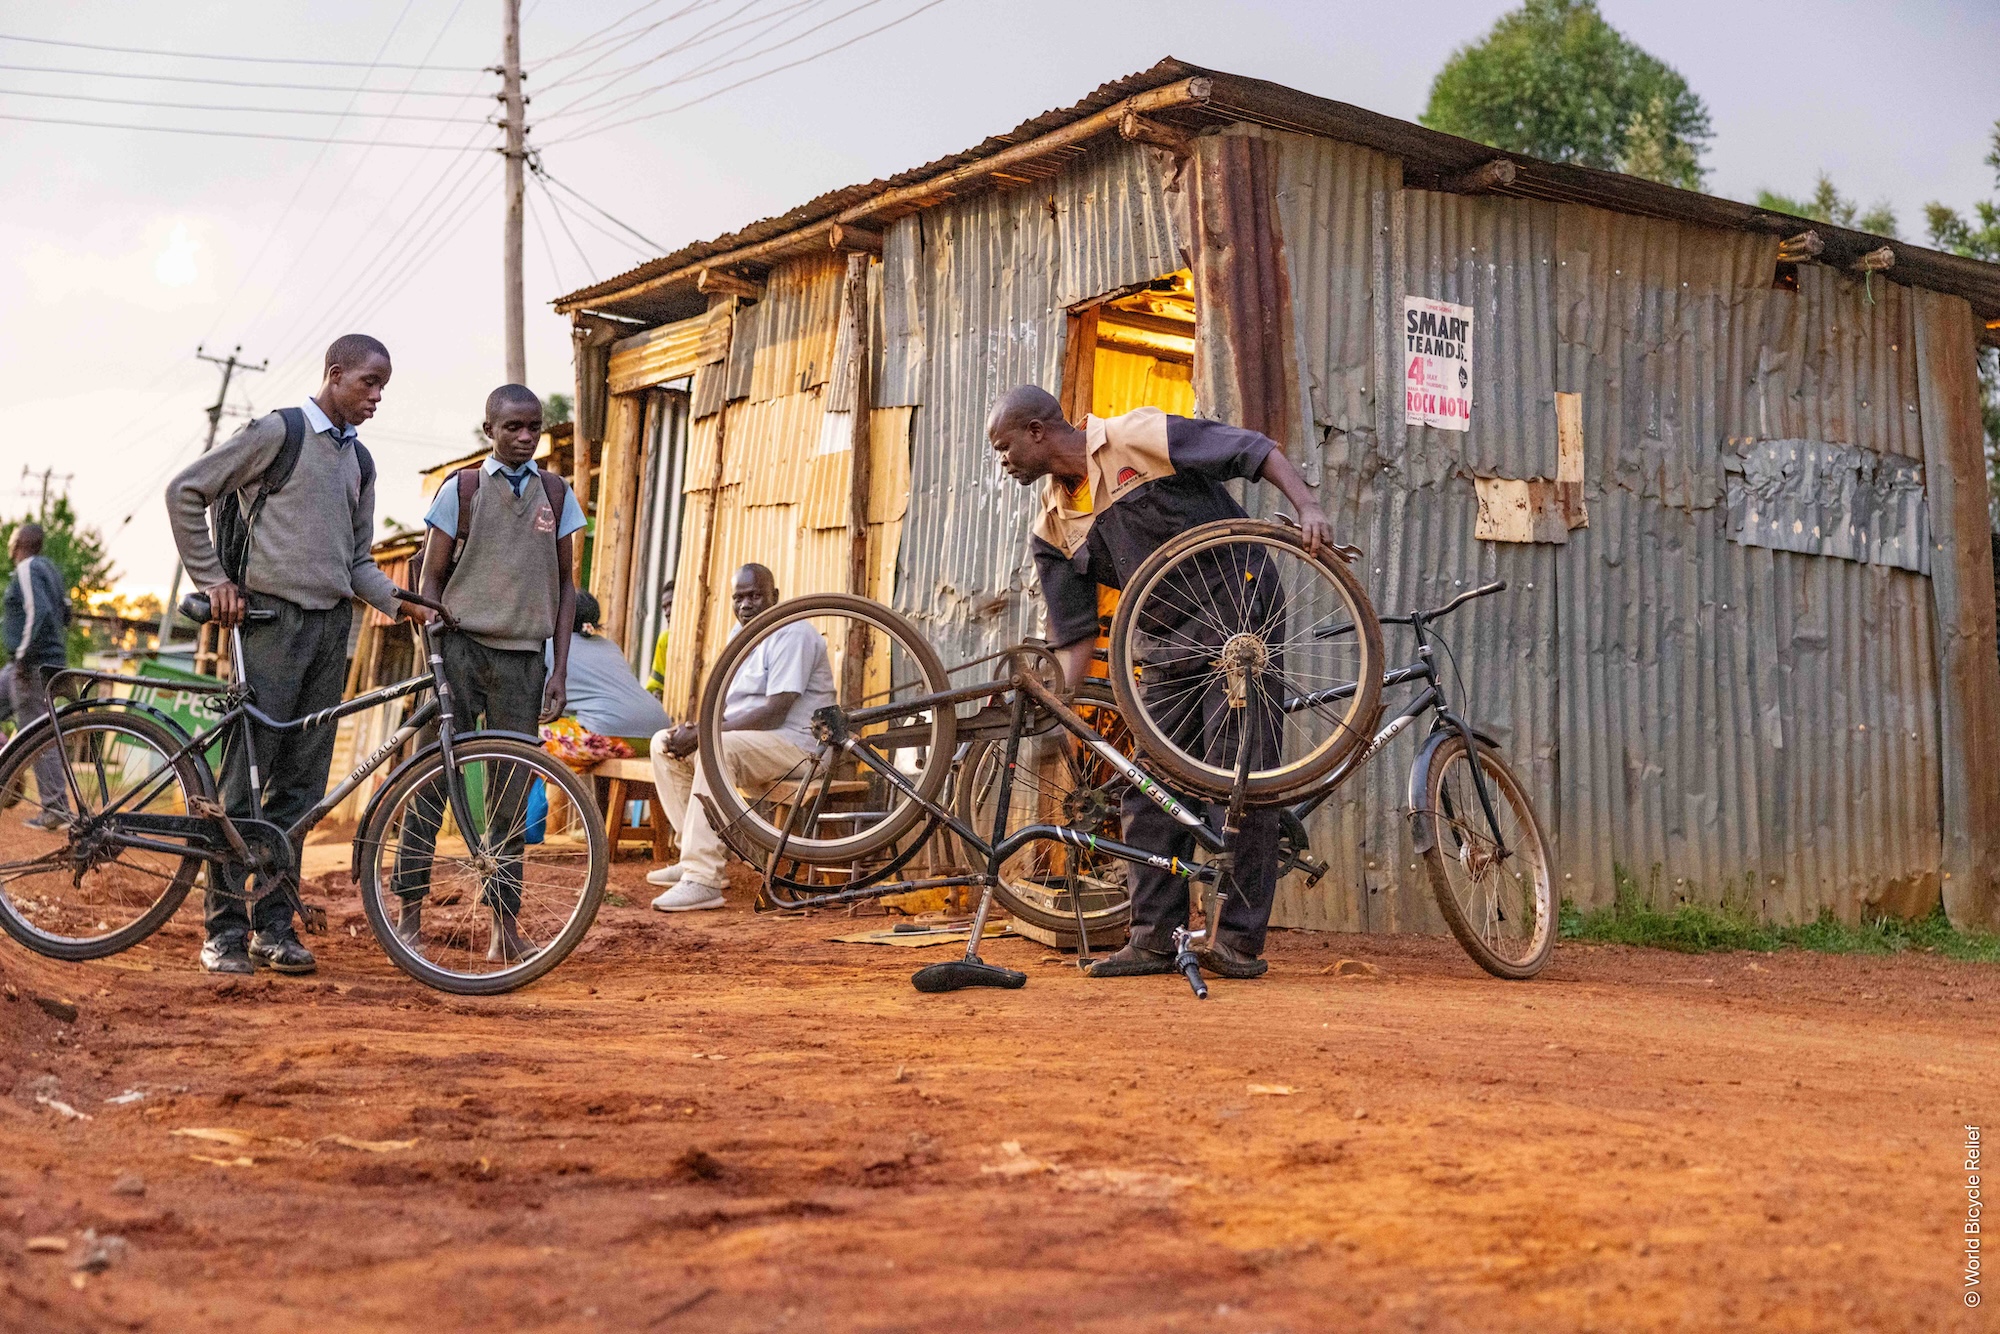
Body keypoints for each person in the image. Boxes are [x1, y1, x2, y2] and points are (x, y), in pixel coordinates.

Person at [987, 385, 1332, 981]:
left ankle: (1236, 941)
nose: (1003, 460)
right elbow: (1074, 637)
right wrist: (1053, 701)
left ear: (1037, 431)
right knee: (1148, 784)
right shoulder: (1053, 527)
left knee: (1237, 772)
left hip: (1236, 606)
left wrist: (1308, 506)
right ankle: (1152, 939)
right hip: (1160, 637)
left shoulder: (1134, 437)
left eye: (1004, 446)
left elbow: (1253, 450)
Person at [166, 333, 430, 976]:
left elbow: (357, 562)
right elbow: (185, 491)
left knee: (302, 786)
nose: (376, 397)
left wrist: (405, 603)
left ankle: (274, 928)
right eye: (368, 383)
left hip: (330, 630)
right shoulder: (278, 433)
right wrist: (213, 581)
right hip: (267, 624)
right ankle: (224, 932)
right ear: (335, 374)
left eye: (383, 387)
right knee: (246, 782)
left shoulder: (359, 460)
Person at [391, 384, 584, 959]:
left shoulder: (556, 494)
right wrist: (432, 646)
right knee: (431, 780)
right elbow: (430, 575)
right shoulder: (463, 489)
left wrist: (559, 670)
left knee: (510, 795)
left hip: (523, 660)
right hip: (459, 651)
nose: (525, 437)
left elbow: (567, 587)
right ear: (489, 431)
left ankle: (504, 926)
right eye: (512, 427)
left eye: (534, 427)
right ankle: (408, 913)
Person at [646, 563, 832, 913]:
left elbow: (775, 711)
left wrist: (705, 733)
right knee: (663, 744)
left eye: (755, 596)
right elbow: (728, 704)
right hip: (756, 743)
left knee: (716, 749)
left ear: (775, 596)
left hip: (800, 746)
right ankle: (694, 857)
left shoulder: (792, 632)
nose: (746, 605)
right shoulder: (741, 634)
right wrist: (694, 729)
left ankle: (703, 879)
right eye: (739, 597)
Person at [539, 590, 671, 772]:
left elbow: (543, 706)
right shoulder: (610, 646)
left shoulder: (551, 646)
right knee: (587, 727)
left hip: (611, 735)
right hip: (658, 734)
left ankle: (518, 793)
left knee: (527, 739)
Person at [2, 524, 72, 830]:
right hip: (41, 663)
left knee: (37, 734)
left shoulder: (28, 567)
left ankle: (56, 808)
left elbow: (39, 611)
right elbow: (65, 612)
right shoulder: (50, 569)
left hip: (31, 666)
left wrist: (23, 655)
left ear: (19, 542)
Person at [645, 580, 675, 699]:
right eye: (664, 608)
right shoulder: (666, 639)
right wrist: (656, 694)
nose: (667, 612)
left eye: (671, 604)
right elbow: (655, 685)